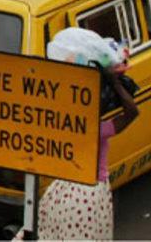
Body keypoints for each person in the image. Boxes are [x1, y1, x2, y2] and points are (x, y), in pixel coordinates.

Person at [39, 36, 140, 239]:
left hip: (60, 191)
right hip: (90, 196)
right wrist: (115, 82)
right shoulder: (97, 130)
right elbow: (132, 112)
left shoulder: (62, 126)